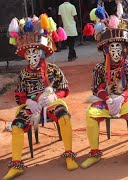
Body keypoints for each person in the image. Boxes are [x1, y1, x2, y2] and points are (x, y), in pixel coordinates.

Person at [3, 15, 78, 180]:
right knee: (16, 126)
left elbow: (65, 88)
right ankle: (16, 164)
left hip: (52, 104)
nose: (33, 56)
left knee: (64, 117)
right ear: (25, 55)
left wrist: (54, 96)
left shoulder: (53, 69)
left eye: (35, 51)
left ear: (42, 52)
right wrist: (28, 101)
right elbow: (19, 96)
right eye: (29, 52)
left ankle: (69, 154)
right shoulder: (23, 73)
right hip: (31, 107)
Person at [80, 3, 128, 168]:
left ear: (124, 49)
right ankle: (95, 153)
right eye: (112, 47)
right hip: (107, 101)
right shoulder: (99, 68)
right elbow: (97, 87)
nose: (115, 51)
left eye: (118, 47)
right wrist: (108, 99)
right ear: (106, 50)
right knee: (91, 114)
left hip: (125, 100)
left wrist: (122, 97)